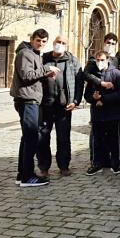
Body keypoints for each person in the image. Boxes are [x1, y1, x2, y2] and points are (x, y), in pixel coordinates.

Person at [10, 28, 60, 187]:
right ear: (32, 39)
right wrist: (47, 69)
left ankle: (22, 174)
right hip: (27, 100)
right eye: (38, 40)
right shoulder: (25, 54)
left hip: (31, 100)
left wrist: (45, 74)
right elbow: (26, 76)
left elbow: (33, 75)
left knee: (27, 138)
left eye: (44, 41)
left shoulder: (34, 54)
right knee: (31, 138)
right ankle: (27, 177)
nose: (40, 44)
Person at [37, 35, 84, 178]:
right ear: (53, 43)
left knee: (63, 137)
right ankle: (44, 167)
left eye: (63, 43)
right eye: (58, 42)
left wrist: (75, 101)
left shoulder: (73, 61)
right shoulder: (43, 58)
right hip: (46, 104)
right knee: (43, 136)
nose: (60, 44)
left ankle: (64, 166)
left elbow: (79, 82)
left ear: (67, 45)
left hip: (64, 106)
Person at [84, 50, 120, 176]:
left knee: (113, 139)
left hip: (112, 113)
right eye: (97, 60)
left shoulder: (116, 74)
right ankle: (97, 163)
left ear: (107, 60)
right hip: (97, 113)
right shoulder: (93, 75)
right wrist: (94, 98)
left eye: (102, 60)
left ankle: (115, 164)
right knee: (97, 140)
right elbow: (87, 95)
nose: (100, 62)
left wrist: (104, 99)